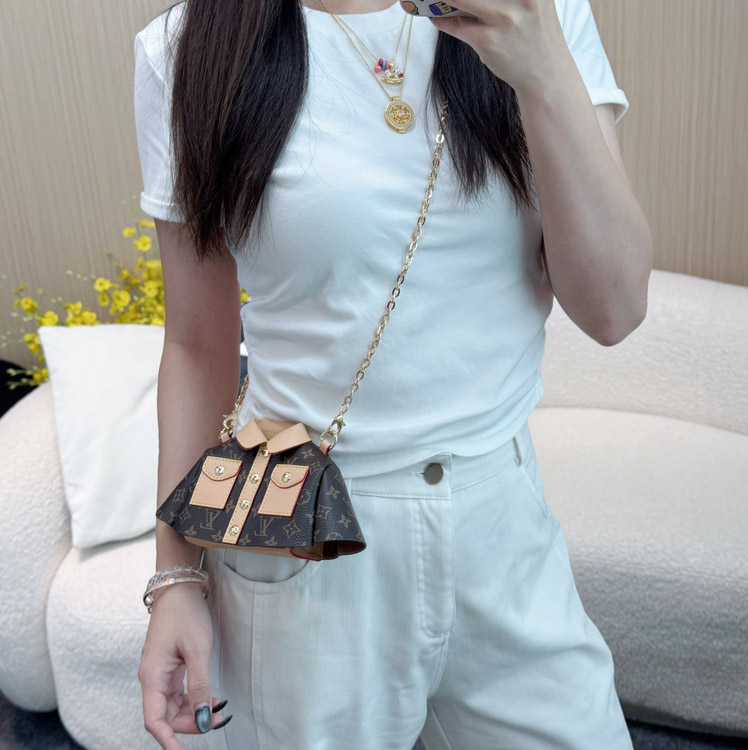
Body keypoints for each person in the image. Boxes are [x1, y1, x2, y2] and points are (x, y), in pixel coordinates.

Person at [133, 0, 652, 748]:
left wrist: (541, 73)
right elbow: (196, 344)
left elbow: (614, 309)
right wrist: (175, 579)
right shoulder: (187, 48)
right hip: (294, 523)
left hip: (501, 520)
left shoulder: (536, 12)